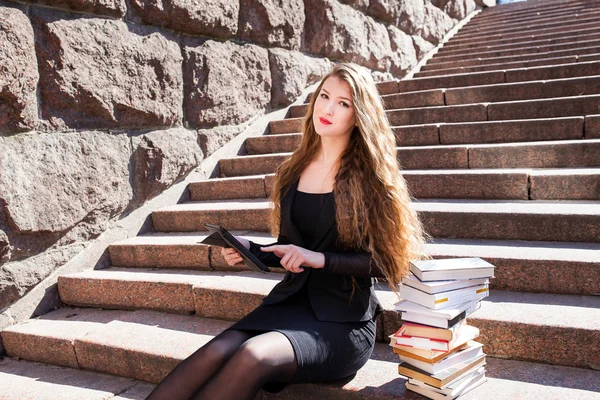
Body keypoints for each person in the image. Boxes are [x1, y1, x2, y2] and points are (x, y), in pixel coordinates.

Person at [145, 62, 427, 400]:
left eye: (343, 103)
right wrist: (249, 249)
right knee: (215, 352)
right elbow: (291, 250)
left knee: (253, 354)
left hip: (342, 323)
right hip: (288, 306)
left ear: (359, 114)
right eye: (324, 96)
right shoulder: (295, 171)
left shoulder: (372, 180)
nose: (327, 108)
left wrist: (320, 259)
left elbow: (389, 263)